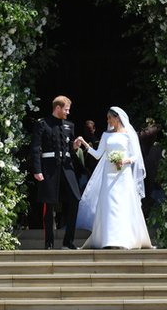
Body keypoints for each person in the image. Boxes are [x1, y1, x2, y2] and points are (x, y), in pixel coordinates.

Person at [75, 107, 152, 249]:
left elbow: (136, 155)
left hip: (124, 173)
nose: (108, 120)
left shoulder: (129, 134)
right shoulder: (106, 135)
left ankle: (125, 239)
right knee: (109, 205)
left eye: (110, 117)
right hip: (108, 174)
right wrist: (85, 144)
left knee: (124, 204)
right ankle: (109, 239)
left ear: (117, 118)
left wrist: (125, 161)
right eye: (107, 118)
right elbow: (98, 154)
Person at [31, 96, 81, 250]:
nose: (68, 112)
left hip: (66, 168)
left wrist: (75, 146)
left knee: (75, 199)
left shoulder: (69, 125)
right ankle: (49, 244)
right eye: (66, 109)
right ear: (57, 108)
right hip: (49, 168)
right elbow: (35, 148)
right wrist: (37, 170)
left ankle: (68, 241)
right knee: (50, 205)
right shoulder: (43, 124)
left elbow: (70, 149)